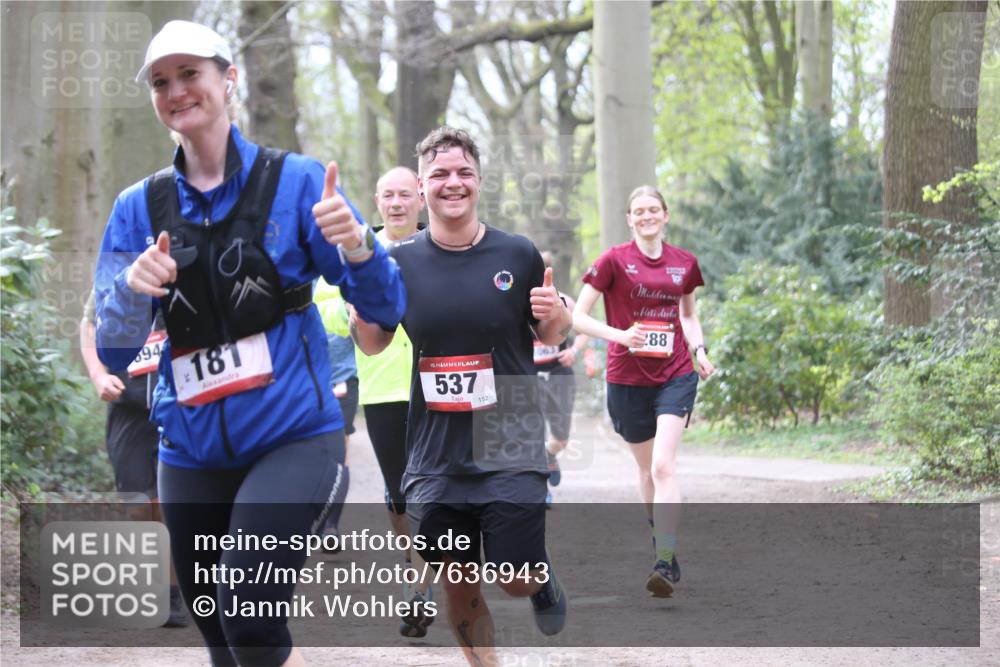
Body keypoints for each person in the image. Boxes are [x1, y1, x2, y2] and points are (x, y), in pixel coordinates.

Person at [93, 20, 404, 667]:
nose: (176, 91)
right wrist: (129, 289)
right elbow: (116, 354)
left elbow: (385, 308)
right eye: (161, 82)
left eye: (190, 74)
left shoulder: (298, 183)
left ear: (228, 79)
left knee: (249, 609)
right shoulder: (136, 207)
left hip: (294, 436)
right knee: (219, 633)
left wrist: (358, 246)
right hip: (188, 450)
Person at [351, 127, 572, 666]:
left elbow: (550, 333)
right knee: (458, 577)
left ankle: (539, 575)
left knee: (514, 578)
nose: (453, 183)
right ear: (421, 186)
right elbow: (374, 343)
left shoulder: (517, 253)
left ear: (478, 181)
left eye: (464, 173)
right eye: (440, 174)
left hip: (507, 432)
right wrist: (362, 313)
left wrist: (557, 314)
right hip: (436, 443)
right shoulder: (397, 262)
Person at [571, 185, 715, 598]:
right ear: (629, 219)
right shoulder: (612, 261)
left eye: (654, 209)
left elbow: (688, 315)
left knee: (664, 466)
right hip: (626, 379)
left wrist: (699, 350)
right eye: (639, 211)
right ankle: (659, 535)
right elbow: (577, 317)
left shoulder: (684, 263)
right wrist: (621, 335)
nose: (647, 216)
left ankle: (664, 561)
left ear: (665, 215)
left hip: (675, 373)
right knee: (647, 469)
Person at [349, 166, 435, 638]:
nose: (397, 203)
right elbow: (324, 305)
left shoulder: (439, 246)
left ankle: (425, 584)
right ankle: (414, 567)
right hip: (383, 388)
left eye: (405, 194)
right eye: (388, 196)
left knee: (440, 489)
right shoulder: (362, 252)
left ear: (420, 199)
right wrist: (352, 313)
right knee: (399, 495)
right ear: (378, 202)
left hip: (438, 383)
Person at [79, 288, 188, 628]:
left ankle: (171, 592)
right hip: (129, 408)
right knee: (141, 505)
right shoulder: (116, 274)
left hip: (184, 405)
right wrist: (98, 375)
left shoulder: (197, 265)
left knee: (180, 503)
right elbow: (89, 324)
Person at [534, 251, 588, 506]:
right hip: (529, 375)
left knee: (561, 439)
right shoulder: (519, 303)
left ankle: (549, 455)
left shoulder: (565, 301)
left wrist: (574, 350)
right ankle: (540, 488)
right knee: (532, 433)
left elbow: (583, 330)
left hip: (559, 374)